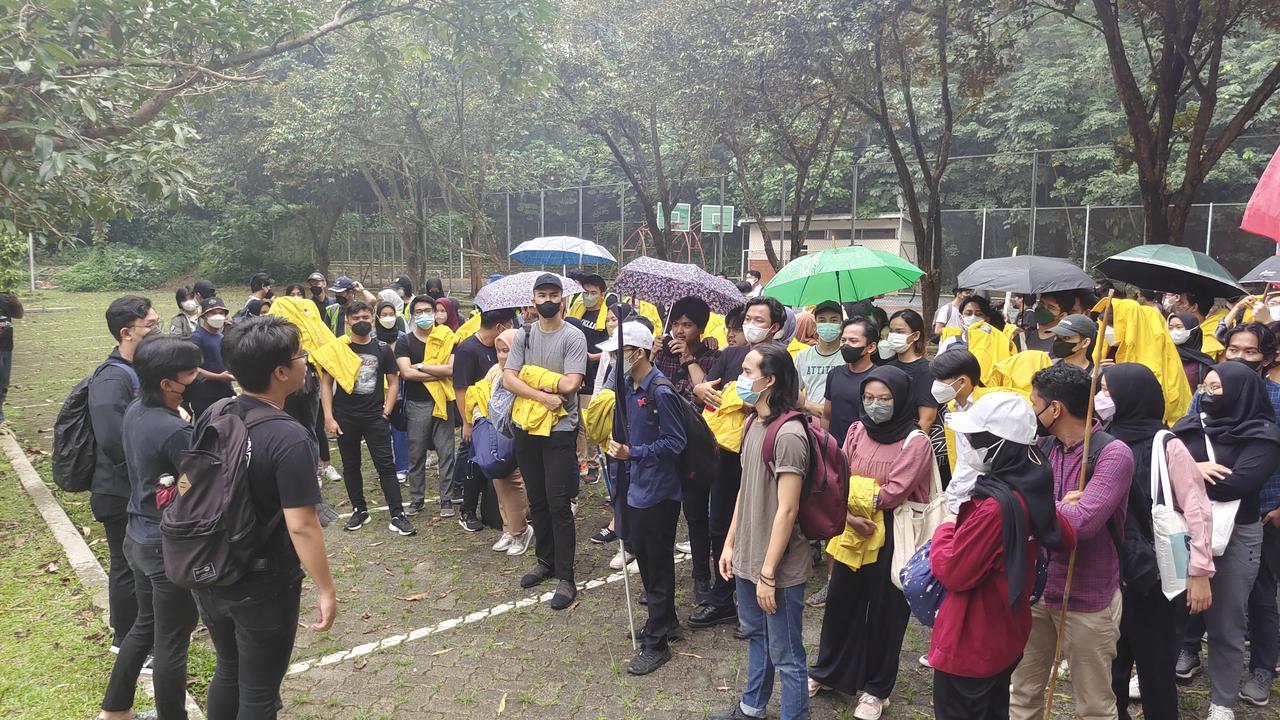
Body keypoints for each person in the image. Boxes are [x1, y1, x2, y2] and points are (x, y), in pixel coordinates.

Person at [200, 316, 336, 719]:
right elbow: (302, 523)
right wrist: (325, 588)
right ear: (281, 372)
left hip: (211, 568)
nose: (306, 363)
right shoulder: (289, 436)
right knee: (259, 694)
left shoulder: (216, 411)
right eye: (301, 356)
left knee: (228, 669)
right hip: (263, 582)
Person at [929, 392, 1075, 720]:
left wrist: (945, 531)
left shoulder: (995, 507)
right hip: (1005, 632)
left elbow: (955, 571)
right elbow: (1064, 535)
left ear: (1000, 445)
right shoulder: (1032, 485)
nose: (969, 446)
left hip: (971, 639)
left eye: (977, 439)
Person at [1009, 363, 1134, 720]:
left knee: (1094, 704)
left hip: (1089, 596)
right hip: (1037, 590)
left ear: (1055, 409)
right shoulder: (1039, 447)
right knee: (1023, 693)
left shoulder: (1113, 454)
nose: (1031, 411)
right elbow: (1008, 501)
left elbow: (1080, 527)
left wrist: (1043, 507)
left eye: (1035, 403)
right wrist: (1061, 506)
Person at [808, 366, 933, 720]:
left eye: (884, 399)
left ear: (901, 399)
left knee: (885, 612)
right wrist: (850, 507)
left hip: (892, 533)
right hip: (852, 527)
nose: (875, 405)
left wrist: (852, 495)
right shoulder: (857, 429)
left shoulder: (916, 441)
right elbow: (838, 473)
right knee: (841, 601)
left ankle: (877, 689)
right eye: (869, 398)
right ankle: (827, 671)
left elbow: (894, 493)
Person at [1102, 364, 1214, 720]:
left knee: (1156, 667)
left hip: (1159, 572)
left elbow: (1198, 510)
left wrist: (1199, 572)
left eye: (1109, 391)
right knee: (1112, 665)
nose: (1102, 399)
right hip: (1111, 570)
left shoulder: (1167, 444)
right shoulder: (1101, 437)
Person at [97, 335, 201, 720]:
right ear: (167, 383)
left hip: (137, 536)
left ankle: (115, 710)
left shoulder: (138, 410)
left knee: (144, 625)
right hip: (164, 546)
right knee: (173, 640)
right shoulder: (175, 431)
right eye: (190, 372)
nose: (197, 376)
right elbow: (195, 480)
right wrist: (190, 470)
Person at [1172, 362, 1280, 719]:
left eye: (1216, 388)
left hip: (1236, 536)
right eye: (1205, 386)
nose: (1207, 394)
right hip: (1184, 529)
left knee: (1227, 621)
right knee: (1170, 610)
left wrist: (1184, 468)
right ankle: (1158, 674)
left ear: (1240, 392)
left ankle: (1222, 702)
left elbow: (1238, 483)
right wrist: (1195, 469)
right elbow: (1159, 470)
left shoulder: (1263, 435)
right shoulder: (1188, 425)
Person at [709, 343, 809, 720]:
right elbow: (745, 490)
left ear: (770, 381)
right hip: (748, 556)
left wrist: (768, 573)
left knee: (787, 655)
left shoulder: (789, 435)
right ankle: (752, 706)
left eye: (748, 372)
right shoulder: (753, 422)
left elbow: (788, 509)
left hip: (777, 566)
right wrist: (731, 544)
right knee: (757, 637)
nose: (740, 378)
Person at [690, 295, 786, 630]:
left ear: (775, 327)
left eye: (759, 320)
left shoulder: (780, 360)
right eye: (749, 317)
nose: (751, 324)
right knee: (720, 522)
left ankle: (755, 594)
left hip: (761, 451)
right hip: (724, 453)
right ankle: (723, 593)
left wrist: (736, 400)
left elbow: (779, 403)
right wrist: (703, 389)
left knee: (757, 522)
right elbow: (706, 388)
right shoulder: (731, 354)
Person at [603, 321, 687, 675]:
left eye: (616, 352)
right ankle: (665, 621)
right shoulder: (625, 384)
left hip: (659, 492)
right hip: (635, 487)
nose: (610, 357)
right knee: (650, 562)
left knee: (656, 567)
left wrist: (632, 452)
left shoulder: (661, 391)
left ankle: (657, 643)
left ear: (637, 352)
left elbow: (675, 442)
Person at [503, 273, 588, 610]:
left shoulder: (574, 337)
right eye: (542, 294)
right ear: (533, 300)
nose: (548, 299)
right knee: (536, 500)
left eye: (554, 294)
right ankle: (545, 561)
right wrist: (542, 394)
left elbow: (571, 384)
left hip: (560, 430)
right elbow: (509, 379)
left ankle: (566, 576)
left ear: (563, 299)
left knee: (558, 502)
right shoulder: (524, 334)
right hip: (526, 426)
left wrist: (532, 378)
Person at [90, 296, 156, 652]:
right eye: (151, 326)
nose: (156, 332)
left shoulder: (138, 371)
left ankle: (140, 632)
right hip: (118, 489)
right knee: (126, 565)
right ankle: (127, 638)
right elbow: (115, 440)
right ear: (126, 332)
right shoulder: (112, 378)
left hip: (135, 485)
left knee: (138, 566)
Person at [319, 301, 416, 537]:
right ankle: (359, 510)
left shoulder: (382, 349)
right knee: (351, 466)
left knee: (386, 466)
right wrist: (329, 417)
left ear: (372, 320)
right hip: (345, 418)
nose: (361, 321)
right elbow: (326, 384)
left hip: (375, 417)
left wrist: (386, 412)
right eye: (356, 318)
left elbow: (394, 382)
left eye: (365, 317)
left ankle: (397, 514)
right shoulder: (337, 349)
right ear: (347, 322)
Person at [395, 294, 460, 517]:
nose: (424, 315)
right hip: (417, 405)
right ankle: (416, 499)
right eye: (419, 312)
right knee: (416, 454)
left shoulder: (447, 338)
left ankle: (447, 501)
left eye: (428, 311)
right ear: (412, 315)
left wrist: (421, 366)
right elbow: (405, 373)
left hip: (443, 402)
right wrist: (437, 372)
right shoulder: (405, 341)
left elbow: (451, 370)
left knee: (446, 452)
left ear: (436, 313)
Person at [454, 308, 516, 532]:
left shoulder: (500, 348)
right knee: (475, 461)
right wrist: (466, 423)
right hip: (477, 418)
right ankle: (467, 511)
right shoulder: (468, 349)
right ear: (500, 327)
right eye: (510, 324)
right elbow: (461, 389)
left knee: (494, 464)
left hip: (498, 417)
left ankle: (494, 513)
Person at [487, 328, 534, 556]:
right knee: (500, 480)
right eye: (499, 350)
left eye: (508, 350)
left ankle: (520, 531)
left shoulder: (526, 373)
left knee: (514, 481)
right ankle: (508, 527)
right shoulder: (495, 371)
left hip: (520, 433)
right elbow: (483, 395)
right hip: (498, 433)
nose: (503, 356)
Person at [931, 348, 984, 511]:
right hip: (959, 494)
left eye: (941, 379)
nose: (936, 384)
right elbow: (961, 457)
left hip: (982, 496)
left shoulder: (986, 408)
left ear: (962, 382)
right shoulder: (952, 407)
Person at [652, 296, 719, 403]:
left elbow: (707, 397)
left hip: (693, 417)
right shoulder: (664, 351)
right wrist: (652, 354)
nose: (679, 331)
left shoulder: (713, 357)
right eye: (675, 324)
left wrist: (688, 357)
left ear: (702, 328)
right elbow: (640, 382)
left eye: (687, 325)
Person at [824, 317, 880, 445]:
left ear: (871, 347)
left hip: (863, 451)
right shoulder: (834, 374)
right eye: (843, 340)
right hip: (834, 450)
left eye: (853, 341)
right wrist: (824, 444)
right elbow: (827, 416)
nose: (846, 345)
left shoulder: (878, 379)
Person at [885, 309, 940, 434]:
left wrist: (912, 448)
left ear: (915, 336)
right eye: (891, 331)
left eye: (900, 332)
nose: (893, 336)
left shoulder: (925, 370)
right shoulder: (887, 367)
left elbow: (927, 419)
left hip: (909, 437)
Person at [375, 301, 410, 484]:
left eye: (391, 314)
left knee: (399, 429)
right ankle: (386, 467)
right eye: (384, 314)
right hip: (377, 389)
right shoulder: (372, 337)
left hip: (400, 386)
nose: (388, 317)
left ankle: (402, 467)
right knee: (381, 431)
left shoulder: (403, 337)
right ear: (378, 317)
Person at [187, 298, 236, 420]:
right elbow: (193, 368)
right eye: (213, 313)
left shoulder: (221, 337)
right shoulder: (197, 338)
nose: (218, 316)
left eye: (221, 313)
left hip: (224, 394)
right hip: (205, 396)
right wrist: (218, 377)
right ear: (204, 316)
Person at [795, 301, 845, 418]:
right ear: (815, 325)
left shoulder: (849, 357)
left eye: (833, 321)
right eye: (822, 320)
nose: (828, 325)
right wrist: (808, 405)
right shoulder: (803, 356)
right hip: (811, 422)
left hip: (841, 421)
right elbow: (790, 391)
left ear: (841, 325)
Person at [1170, 311, 1216, 392]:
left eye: (1179, 327)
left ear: (1193, 330)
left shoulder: (1204, 364)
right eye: (1170, 328)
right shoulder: (1166, 356)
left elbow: (1206, 393)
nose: (1173, 331)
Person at [0, 289, 23, 423]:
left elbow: (19, 315)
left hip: (6, 348)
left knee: (3, 384)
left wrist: (16, 302)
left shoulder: (4, 298)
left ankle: (0, 417)